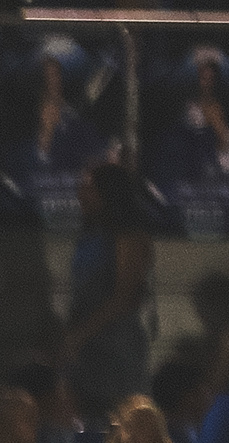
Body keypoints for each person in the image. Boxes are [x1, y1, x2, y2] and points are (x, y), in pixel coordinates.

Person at [60, 159, 157, 424]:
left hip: (116, 346)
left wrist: (78, 335)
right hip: (85, 345)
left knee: (119, 419)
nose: (81, 193)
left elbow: (126, 296)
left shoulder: (130, 236)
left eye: (89, 187)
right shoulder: (90, 234)